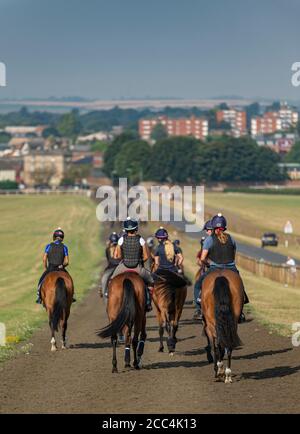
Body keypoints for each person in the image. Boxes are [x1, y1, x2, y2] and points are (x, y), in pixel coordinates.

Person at [198, 213, 248, 321]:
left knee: (199, 284)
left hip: (214, 268)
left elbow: (202, 258)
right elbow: (233, 254)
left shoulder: (209, 240)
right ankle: (241, 312)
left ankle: (199, 301)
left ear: (214, 227)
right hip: (231, 268)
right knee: (240, 286)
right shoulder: (231, 239)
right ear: (224, 227)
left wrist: (207, 264)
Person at [111, 217, 154, 311]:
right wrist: (139, 260)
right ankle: (148, 303)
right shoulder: (141, 240)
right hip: (137, 267)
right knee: (151, 281)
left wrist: (124, 258)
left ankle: (111, 300)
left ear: (126, 229)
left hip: (123, 266)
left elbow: (117, 256)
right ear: (136, 228)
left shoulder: (121, 240)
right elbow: (146, 257)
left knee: (111, 280)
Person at [36, 228, 75, 304]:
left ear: (54, 237)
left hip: (50, 268)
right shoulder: (64, 247)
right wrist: (62, 265)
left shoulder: (48, 246)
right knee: (69, 279)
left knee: (41, 281)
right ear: (62, 238)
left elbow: (44, 259)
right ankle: (72, 295)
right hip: (61, 269)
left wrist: (46, 268)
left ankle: (38, 295)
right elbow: (67, 262)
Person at [193, 220, 213, 320]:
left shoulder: (208, 241)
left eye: (207, 230)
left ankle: (198, 308)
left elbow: (201, 260)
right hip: (227, 266)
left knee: (197, 285)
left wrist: (206, 263)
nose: (206, 232)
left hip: (211, 268)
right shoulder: (226, 238)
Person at [101, 232, 121, 299]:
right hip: (115, 267)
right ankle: (103, 291)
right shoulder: (109, 249)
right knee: (104, 279)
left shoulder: (110, 249)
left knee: (104, 279)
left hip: (115, 267)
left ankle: (103, 291)